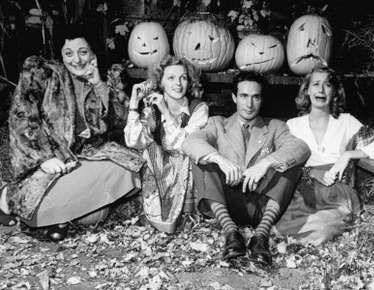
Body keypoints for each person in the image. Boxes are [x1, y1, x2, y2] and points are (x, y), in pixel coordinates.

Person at [0, 23, 145, 240]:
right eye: (69, 53)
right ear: (60, 55)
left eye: (83, 52)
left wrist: (99, 85)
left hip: (87, 158)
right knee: (90, 212)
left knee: (130, 173)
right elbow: (22, 118)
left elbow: (122, 121)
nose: (76, 60)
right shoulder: (43, 74)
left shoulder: (106, 76)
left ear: (93, 52)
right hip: (53, 158)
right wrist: (43, 158)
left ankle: (61, 214)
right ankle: (6, 198)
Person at [182, 71, 310, 265]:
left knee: (290, 166)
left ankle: (261, 237)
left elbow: (301, 148)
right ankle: (231, 234)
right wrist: (219, 159)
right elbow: (190, 142)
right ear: (234, 97)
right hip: (226, 201)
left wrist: (267, 163)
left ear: (261, 99)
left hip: (262, 204)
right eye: (243, 96)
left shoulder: (275, 126)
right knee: (201, 160)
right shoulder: (218, 124)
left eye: (255, 97)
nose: (249, 104)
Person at [275, 65, 374, 245]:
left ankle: (309, 234)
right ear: (307, 90)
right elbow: (282, 162)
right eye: (315, 84)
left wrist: (348, 155)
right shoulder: (293, 126)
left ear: (334, 92)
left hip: (337, 195)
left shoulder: (346, 122)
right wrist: (310, 173)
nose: (320, 89)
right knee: (281, 226)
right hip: (305, 193)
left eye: (327, 85)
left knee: (324, 227)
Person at [124, 55, 209, 233]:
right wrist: (134, 103)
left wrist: (166, 113)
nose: (178, 83)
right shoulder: (152, 109)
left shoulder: (198, 108)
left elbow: (185, 145)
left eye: (183, 77)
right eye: (171, 78)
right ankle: (160, 214)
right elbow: (133, 142)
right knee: (148, 151)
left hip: (187, 167)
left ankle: (187, 214)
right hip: (160, 170)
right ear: (160, 83)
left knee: (188, 158)